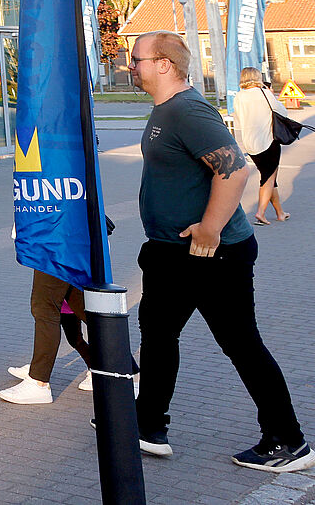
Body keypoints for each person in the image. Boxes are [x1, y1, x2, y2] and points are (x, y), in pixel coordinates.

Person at [127, 31, 311, 471]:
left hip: (212, 254)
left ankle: (288, 441)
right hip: (173, 253)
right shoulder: (166, 111)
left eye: (136, 60)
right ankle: (148, 425)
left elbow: (235, 169)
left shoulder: (187, 111)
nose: (130, 66)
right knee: (156, 334)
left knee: (241, 344)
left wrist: (210, 229)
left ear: (165, 64)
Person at [0, 269, 94, 405]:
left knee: (48, 312)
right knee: (78, 322)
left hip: (57, 254)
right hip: (66, 259)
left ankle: (39, 380)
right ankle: (110, 368)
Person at [233, 68, 292, 225]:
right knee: (268, 178)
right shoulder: (263, 93)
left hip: (250, 144)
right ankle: (261, 213)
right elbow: (283, 112)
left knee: (270, 177)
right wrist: (271, 94)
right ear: (257, 77)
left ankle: (280, 213)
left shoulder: (239, 96)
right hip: (268, 141)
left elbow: (238, 118)